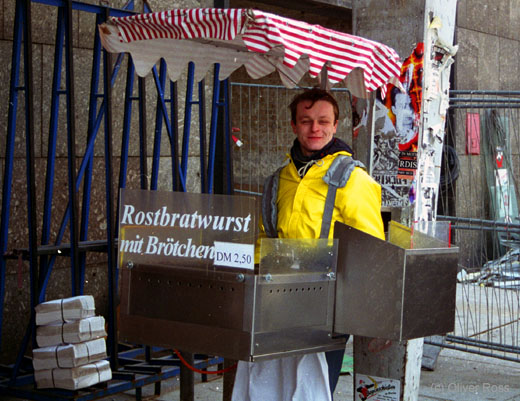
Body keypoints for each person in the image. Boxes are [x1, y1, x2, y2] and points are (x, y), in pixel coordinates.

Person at [232, 88, 385, 401]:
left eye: (322, 121)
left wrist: (372, 316)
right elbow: (266, 239)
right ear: (293, 126)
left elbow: (371, 249)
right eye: (306, 121)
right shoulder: (279, 180)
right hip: (279, 301)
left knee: (313, 390)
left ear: (336, 124)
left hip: (328, 307)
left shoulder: (353, 179)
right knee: (274, 388)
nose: (315, 128)